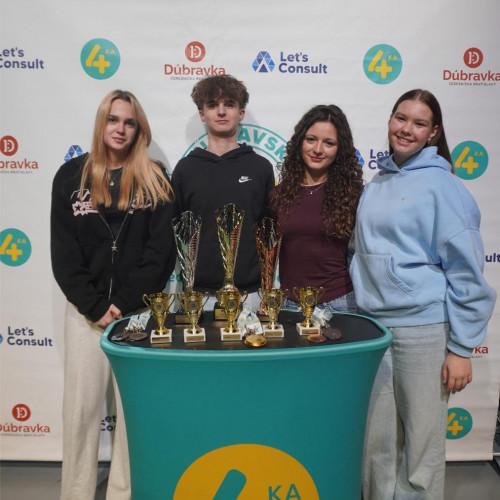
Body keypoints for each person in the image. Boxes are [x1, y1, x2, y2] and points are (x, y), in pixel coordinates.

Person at [349, 89, 496, 499]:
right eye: (401, 118)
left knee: (421, 447)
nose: (406, 129)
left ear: (433, 133)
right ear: (390, 120)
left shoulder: (443, 187)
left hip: (425, 330)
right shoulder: (377, 181)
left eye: (418, 123)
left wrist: (461, 348)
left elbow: (468, 272)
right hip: (375, 329)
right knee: (376, 445)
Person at [51, 90, 176, 499]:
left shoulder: (155, 178)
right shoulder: (70, 177)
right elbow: (64, 253)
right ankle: (76, 492)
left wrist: (122, 303)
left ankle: (124, 492)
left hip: (136, 314)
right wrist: (94, 305)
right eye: (113, 120)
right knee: (80, 410)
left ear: (139, 129)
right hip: (85, 313)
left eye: (129, 122)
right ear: (101, 122)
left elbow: (160, 255)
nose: (120, 129)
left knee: (131, 413)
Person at [171, 75, 275, 310]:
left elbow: (269, 232)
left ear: (241, 113)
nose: (221, 111)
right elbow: (175, 232)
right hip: (198, 296)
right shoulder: (186, 169)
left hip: (251, 295)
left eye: (229, 104)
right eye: (212, 105)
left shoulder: (260, 168)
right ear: (202, 114)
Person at [270, 104, 363, 313]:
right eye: (311, 139)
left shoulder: (354, 195)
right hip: (289, 304)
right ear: (299, 142)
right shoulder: (278, 195)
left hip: (339, 304)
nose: (318, 149)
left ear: (340, 149)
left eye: (329, 143)